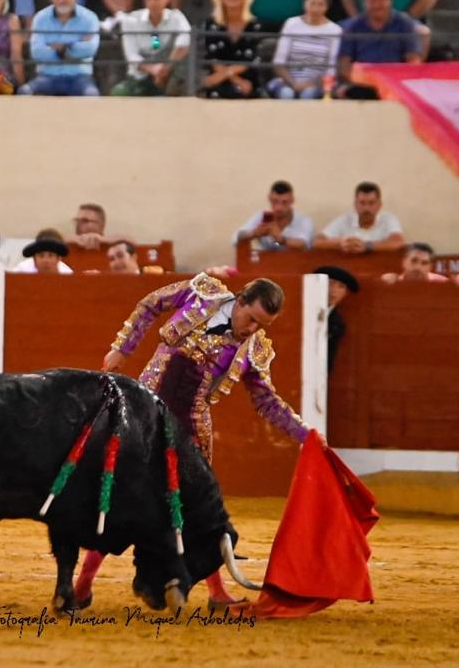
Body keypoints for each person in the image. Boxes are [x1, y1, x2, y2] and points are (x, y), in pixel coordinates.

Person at [74, 275, 312, 609]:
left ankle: (216, 592)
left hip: (191, 429)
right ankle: (82, 585)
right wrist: (122, 347)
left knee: (198, 510)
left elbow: (267, 402)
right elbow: (150, 305)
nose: (253, 329)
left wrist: (306, 435)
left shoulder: (254, 349)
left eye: (263, 325)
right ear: (240, 300)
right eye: (252, 319)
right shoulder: (203, 292)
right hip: (144, 410)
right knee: (119, 497)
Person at [334, 0, 421, 98]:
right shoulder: (353, 26)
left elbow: (413, 60)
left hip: (395, 83)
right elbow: (344, 62)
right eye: (371, 1)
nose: (376, 5)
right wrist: (351, 82)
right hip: (361, 83)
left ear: (390, 0)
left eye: (381, 1)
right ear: (364, 2)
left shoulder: (404, 23)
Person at [19, 0, 99, 96]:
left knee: (91, 94)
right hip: (47, 77)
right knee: (25, 92)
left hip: (79, 77)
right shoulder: (40, 18)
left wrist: (58, 48)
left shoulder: (90, 18)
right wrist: (73, 47)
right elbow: (37, 52)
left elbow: (90, 49)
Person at [111, 0, 191, 96]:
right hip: (139, 78)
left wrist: (165, 69)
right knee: (118, 93)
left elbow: (184, 43)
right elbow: (131, 55)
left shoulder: (176, 18)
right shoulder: (130, 21)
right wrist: (153, 70)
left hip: (167, 77)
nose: (152, 2)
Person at [265, 0, 341, 99]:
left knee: (308, 95)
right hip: (290, 80)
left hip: (318, 82)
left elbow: (332, 68)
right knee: (286, 94)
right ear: (304, 3)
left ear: (327, 6)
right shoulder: (291, 24)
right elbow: (279, 62)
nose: (315, 9)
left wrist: (310, 84)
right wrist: (293, 83)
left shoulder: (335, 30)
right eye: (312, 3)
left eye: (321, 4)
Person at [201, 0, 263, 98]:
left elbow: (251, 58)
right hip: (156, 64)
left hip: (239, 77)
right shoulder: (152, 28)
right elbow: (211, 55)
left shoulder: (174, 20)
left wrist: (230, 77)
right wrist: (155, 65)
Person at [314, 181, 405, 252]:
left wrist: (367, 246)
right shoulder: (345, 219)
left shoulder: (389, 219)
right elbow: (317, 242)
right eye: (362, 203)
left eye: (371, 203)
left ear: (379, 205)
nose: (366, 208)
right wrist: (340, 243)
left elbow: (398, 243)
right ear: (355, 204)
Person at [234, 179, 313, 250]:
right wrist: (254, 233)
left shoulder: (304, 221)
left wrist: (281, 239)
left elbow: (304, 245)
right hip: (267, 263)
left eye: (284, 202)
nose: (279, 207)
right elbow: (236, 238)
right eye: (275, 201)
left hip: (296, 263)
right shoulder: (262, 217)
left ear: (292, 200)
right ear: (269, 199)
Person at [312, 265, 358, 372]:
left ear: (345, 293)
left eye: (341, 286)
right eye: (331, 283)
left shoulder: (337, 324)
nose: (334, 290)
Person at [380, 242, 459, 284]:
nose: (418, 267)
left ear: (430, 266)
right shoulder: (393, 282)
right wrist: (382, 284)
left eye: (424, 263)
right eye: (413, 261)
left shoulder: (441, 283)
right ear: (404, 262)